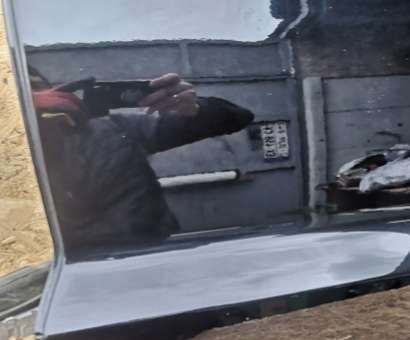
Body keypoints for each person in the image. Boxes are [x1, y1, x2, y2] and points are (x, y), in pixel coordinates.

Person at [30, 69, 254, 256]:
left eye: (38, 89)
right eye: (25, 96)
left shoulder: (116, 129)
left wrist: (193, 109)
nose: (37, 100)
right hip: (65, 274)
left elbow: (237, 117)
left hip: (150, 258)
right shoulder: (18, 162)